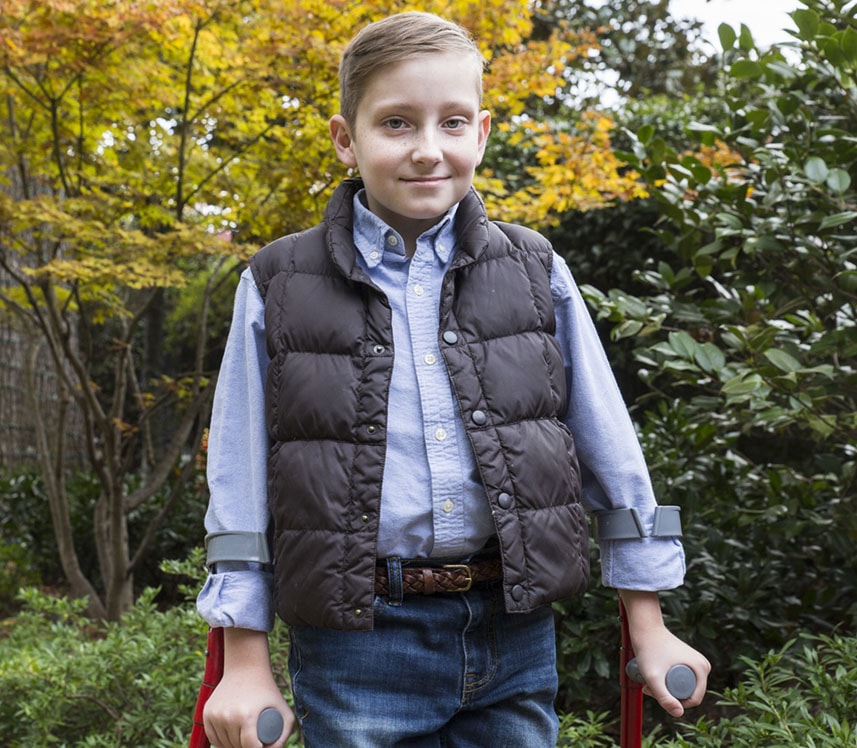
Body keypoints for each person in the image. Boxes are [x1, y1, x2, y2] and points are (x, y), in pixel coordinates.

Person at [197, 10, 711, 748]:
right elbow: (241, 479)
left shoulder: (535, 270)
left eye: (452, 123)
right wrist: (244, 660)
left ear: (483, 132)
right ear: (346, 138)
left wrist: (648, 622)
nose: (428, 150)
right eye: (397, 124)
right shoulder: (280, 282)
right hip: (360, 643)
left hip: (514, 629)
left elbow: (607, 446)